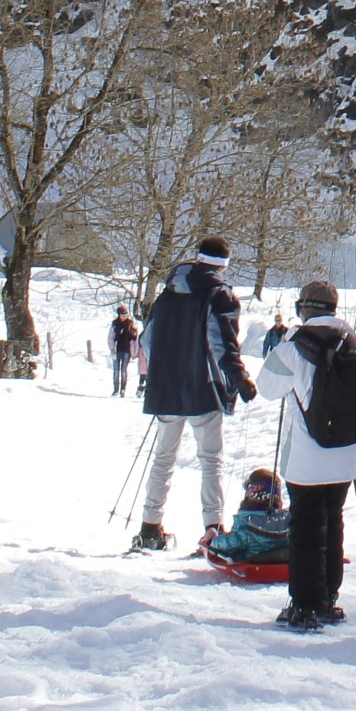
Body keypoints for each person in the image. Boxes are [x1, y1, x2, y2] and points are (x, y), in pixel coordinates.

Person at [257, 278, 356, 630]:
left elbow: (267, 389)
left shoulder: (292, 348)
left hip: (306, 457)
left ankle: (306, 604)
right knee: (333, 520)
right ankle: (328, 598)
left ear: (304, 308)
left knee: (306, 525)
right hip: (346, 454)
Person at [131, 236, 251, 552]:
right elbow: (221, 344)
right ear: (224, 264)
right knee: (210, 460)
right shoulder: (219, 295)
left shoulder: (167, 294)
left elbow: (147, 342)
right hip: (203, 389)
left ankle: (149, 526)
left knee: (163, 458)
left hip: (167, 389)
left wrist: (162, 372)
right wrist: (238, 378)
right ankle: (213, 529)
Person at [205, 469, 291, 567]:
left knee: (233, 549)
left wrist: (212, 541)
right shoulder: (287, 518)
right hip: (284, 560)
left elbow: (233, 542)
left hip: (254, 563)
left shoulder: (246, 521)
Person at [107, 305, 140, 397]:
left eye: (126, 314)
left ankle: (122, 390)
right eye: (122, 314)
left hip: (126, 350)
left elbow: (135, 338)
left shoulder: (130, 324)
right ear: (119, 314)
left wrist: (135, 350)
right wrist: (112, 348)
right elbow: (110, 338)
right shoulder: (115, 324)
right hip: (116, 350)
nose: (124, 316)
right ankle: (116, 389)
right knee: (116, 371)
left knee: (123, 371)